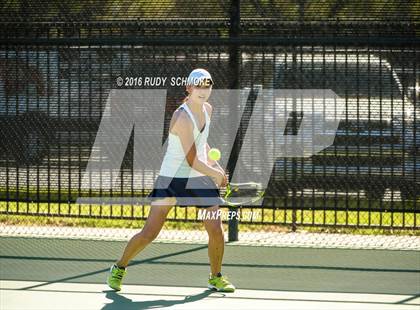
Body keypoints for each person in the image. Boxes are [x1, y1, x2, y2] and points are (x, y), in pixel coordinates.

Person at [106, 68, 235, 292]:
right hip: (172, 178)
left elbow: (201, 143)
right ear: (189, 88)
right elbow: (192, 159)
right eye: (198, 85)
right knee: (150, 233)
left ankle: (216, 276)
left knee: (215, 229)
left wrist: (216, 167)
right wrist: (216, 174)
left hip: (199, 178)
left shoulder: (208, 109)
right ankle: (119, 267)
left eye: (207, 85)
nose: (203, 90)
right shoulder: (182, 116)